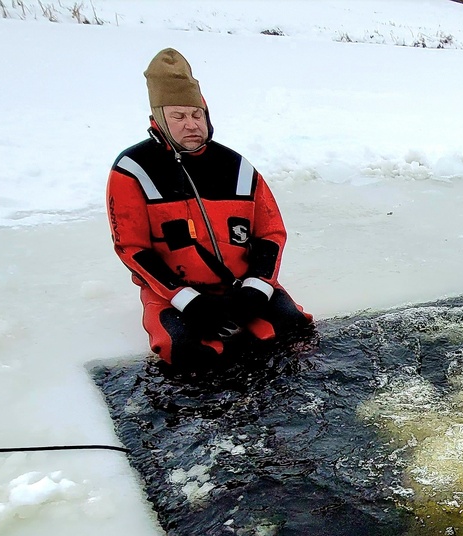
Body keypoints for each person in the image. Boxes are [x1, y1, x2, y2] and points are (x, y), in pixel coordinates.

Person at [106, 48, 312, 368]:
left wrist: (256, 289)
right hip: (174, 296)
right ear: (159, 118)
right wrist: (188, 302)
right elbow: (131, 248)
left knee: (295, 332)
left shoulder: (237, 167)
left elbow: (270, 232)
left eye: (197, 115)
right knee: (188, 354)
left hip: (241, 287)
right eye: (179, 116)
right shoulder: (133, 170)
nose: (191, 124)